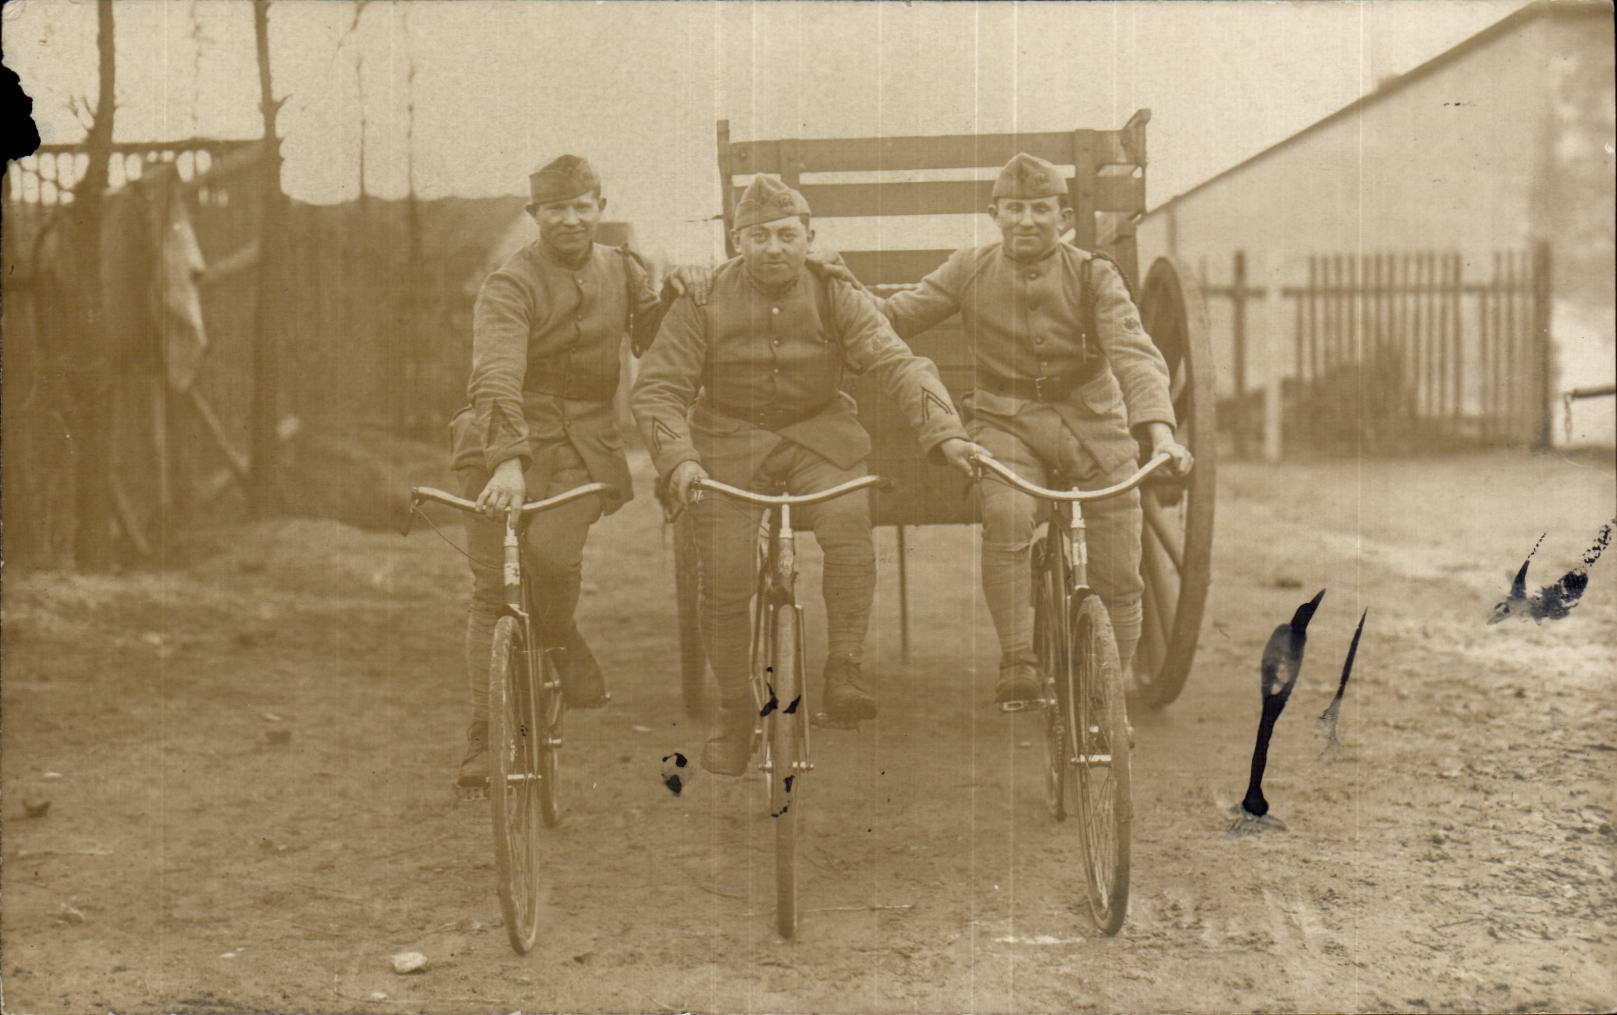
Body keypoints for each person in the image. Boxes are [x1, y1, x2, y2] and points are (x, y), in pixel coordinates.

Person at [631, 174, 987, 776]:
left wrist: (945, 431)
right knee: (724, 573)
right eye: (759, 236)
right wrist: (681, 459)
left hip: (821, 435)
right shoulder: (703, 298)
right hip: (728, 440)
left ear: (809, 238)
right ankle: (733, 708)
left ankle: (844, 668)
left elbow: (899, 362)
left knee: (848, 524)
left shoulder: (834, 291)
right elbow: (659, 388)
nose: (773, 248)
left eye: (786, 235)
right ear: (737, 241)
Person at [870, 152, 1193, 705]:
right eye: (1014, 208)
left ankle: (1109, 693)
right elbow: (895, 315)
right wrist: (826, 283)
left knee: (1120, 561)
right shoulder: (969, 268)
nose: (1026, 220)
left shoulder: (1094, 274)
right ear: (994, 214)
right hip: (1005, 420)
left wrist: (1160, 432)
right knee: (1007, 512)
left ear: (1064, 218)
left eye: (1040, 209)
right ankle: (1017, 657)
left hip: (1093, 423)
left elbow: (1134, 353)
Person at [449, 154, 692, 792]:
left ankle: (559, 641)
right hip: (498, 440)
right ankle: (484, 738)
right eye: (556, 209)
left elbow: (652, 338)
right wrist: (506, 461)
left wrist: (676, 294)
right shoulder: (510, 284)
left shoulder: (624, 269)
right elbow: (495, 373)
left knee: (553, 558)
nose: (571, 220)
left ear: (600, 209)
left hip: (585, 448)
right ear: (536, 215)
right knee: (493, 589)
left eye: (583, 207)